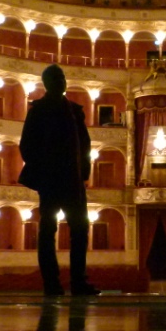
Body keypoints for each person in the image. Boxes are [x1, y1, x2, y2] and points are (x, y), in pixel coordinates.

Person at [18, 64, 100, 296]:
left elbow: (84, 144)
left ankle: (78, 282)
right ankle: (51, 283)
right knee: (47, 230)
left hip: (73, 180)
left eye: (63, 77)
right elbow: (26, 145)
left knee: (80, 230)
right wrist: (42, 171)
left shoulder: (75, 110)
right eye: (57, 78)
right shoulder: (38, 109)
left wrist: (83, 173)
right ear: (47, 83)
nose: (62, 81)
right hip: (51, 180)